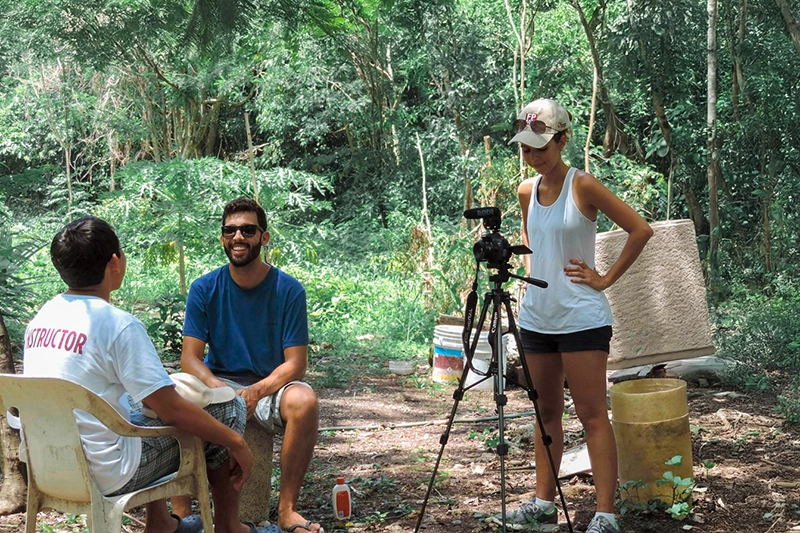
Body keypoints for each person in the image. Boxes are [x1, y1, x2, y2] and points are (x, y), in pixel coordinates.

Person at [23, 216, 278, 533]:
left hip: (47, 465)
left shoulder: (41, 318)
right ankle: (229, 527)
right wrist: (235, 441)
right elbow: (170, 409)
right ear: (115, 262)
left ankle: (161, 524)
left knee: (134, 402)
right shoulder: (118, 325)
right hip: (109, 472)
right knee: (228, 409)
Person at [501, 99, 653, 533]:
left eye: (541, 148)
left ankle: (606, 515)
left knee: (591, 414)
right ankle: (543, 504)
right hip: (537, 319)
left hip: (582, 319)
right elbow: (531, 239)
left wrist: (604, 279)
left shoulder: (582, 184)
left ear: (562, 140)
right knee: (545, 412)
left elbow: (640, 229)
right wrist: (530, 278)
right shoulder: (526, 191)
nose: (533, 157)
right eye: (526, 149)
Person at [178, 197, 322, 533]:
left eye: (247, 230)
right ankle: (182, 518)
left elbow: (296, 364)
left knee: (305, 401)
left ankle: (286, 510)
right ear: (222, 238)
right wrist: (219, 389)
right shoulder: (204, 288)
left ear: (263, 237)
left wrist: (256, 391)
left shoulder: (288, 290)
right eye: (230, 231)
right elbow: (190, 358)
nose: (238, 237)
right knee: (173, 396)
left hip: (270, 384)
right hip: (218, 383)